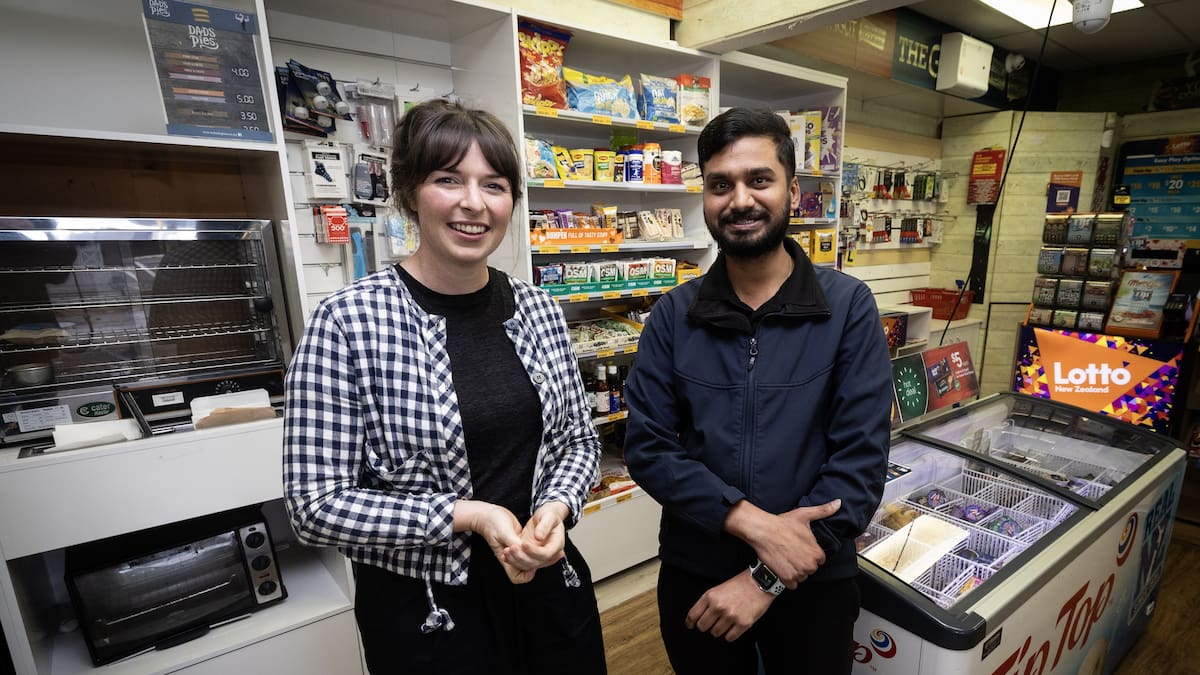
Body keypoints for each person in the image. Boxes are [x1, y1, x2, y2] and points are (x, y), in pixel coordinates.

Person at [283, 98, 606, 675]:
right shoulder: (347, 322)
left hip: (547, 584)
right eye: (448, 179)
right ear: (409, 191)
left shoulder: (539, 310)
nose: (474, 204)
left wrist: (556, 510)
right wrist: (470, 516)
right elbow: (315, 506)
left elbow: (579, 444)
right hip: (428, 610)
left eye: (495, 184)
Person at [623, 107, 893, 675]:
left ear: (792, 190)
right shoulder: (673, 315)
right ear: (705, 195)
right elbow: (648, 448)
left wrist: (766, 575)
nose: (739, 199)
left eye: (759, 180)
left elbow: (861, 463)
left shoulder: (847, 308)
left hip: (816, 575)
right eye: (721, 184)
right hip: (698, 574)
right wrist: (753, 524)